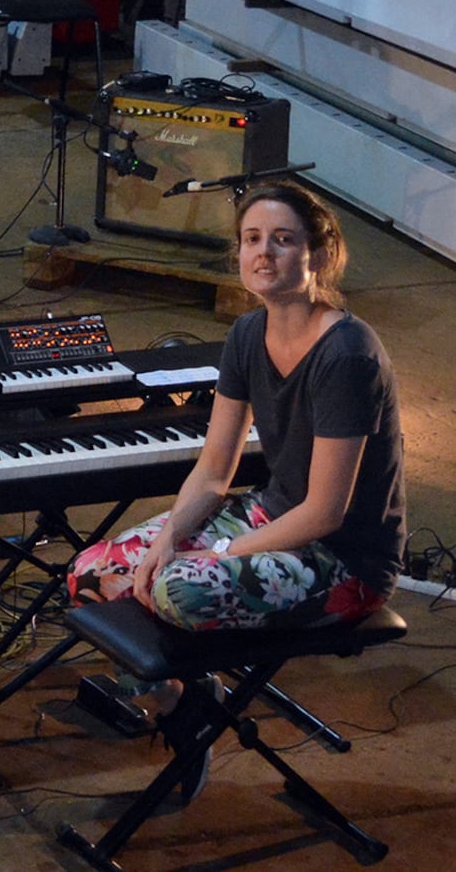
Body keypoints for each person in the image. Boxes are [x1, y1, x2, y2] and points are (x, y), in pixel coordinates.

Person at [69, 181, 406, 633]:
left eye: (283, 239)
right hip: (270, 514)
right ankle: (178, 698)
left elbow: (326, 511)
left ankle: (195, 693)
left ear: (320, 257)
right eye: (252, 239)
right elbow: (212, 472)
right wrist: (169, 539)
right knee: (92, 573)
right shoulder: (247, 333)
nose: (264, 252)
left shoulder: (346, 355)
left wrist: (225, 552)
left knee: (179, 590)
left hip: (344, 557)